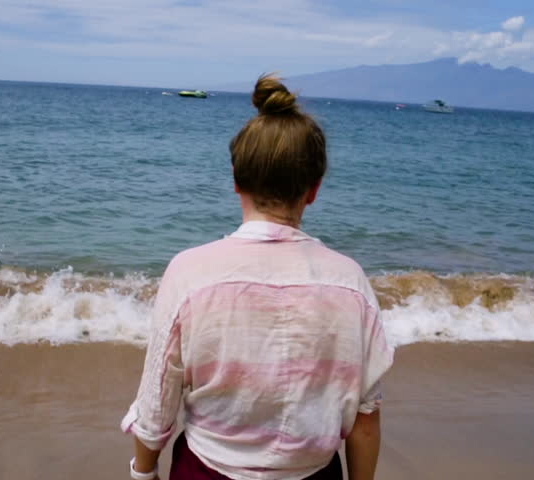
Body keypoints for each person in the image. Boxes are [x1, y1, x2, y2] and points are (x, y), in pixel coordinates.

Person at [121, 74, 393, 480]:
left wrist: (144, 473)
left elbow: (157, 399)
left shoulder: (190, 272)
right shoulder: (350, 282)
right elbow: (365, 418)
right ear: (314, 189)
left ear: (236, 182)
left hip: (207, 471)